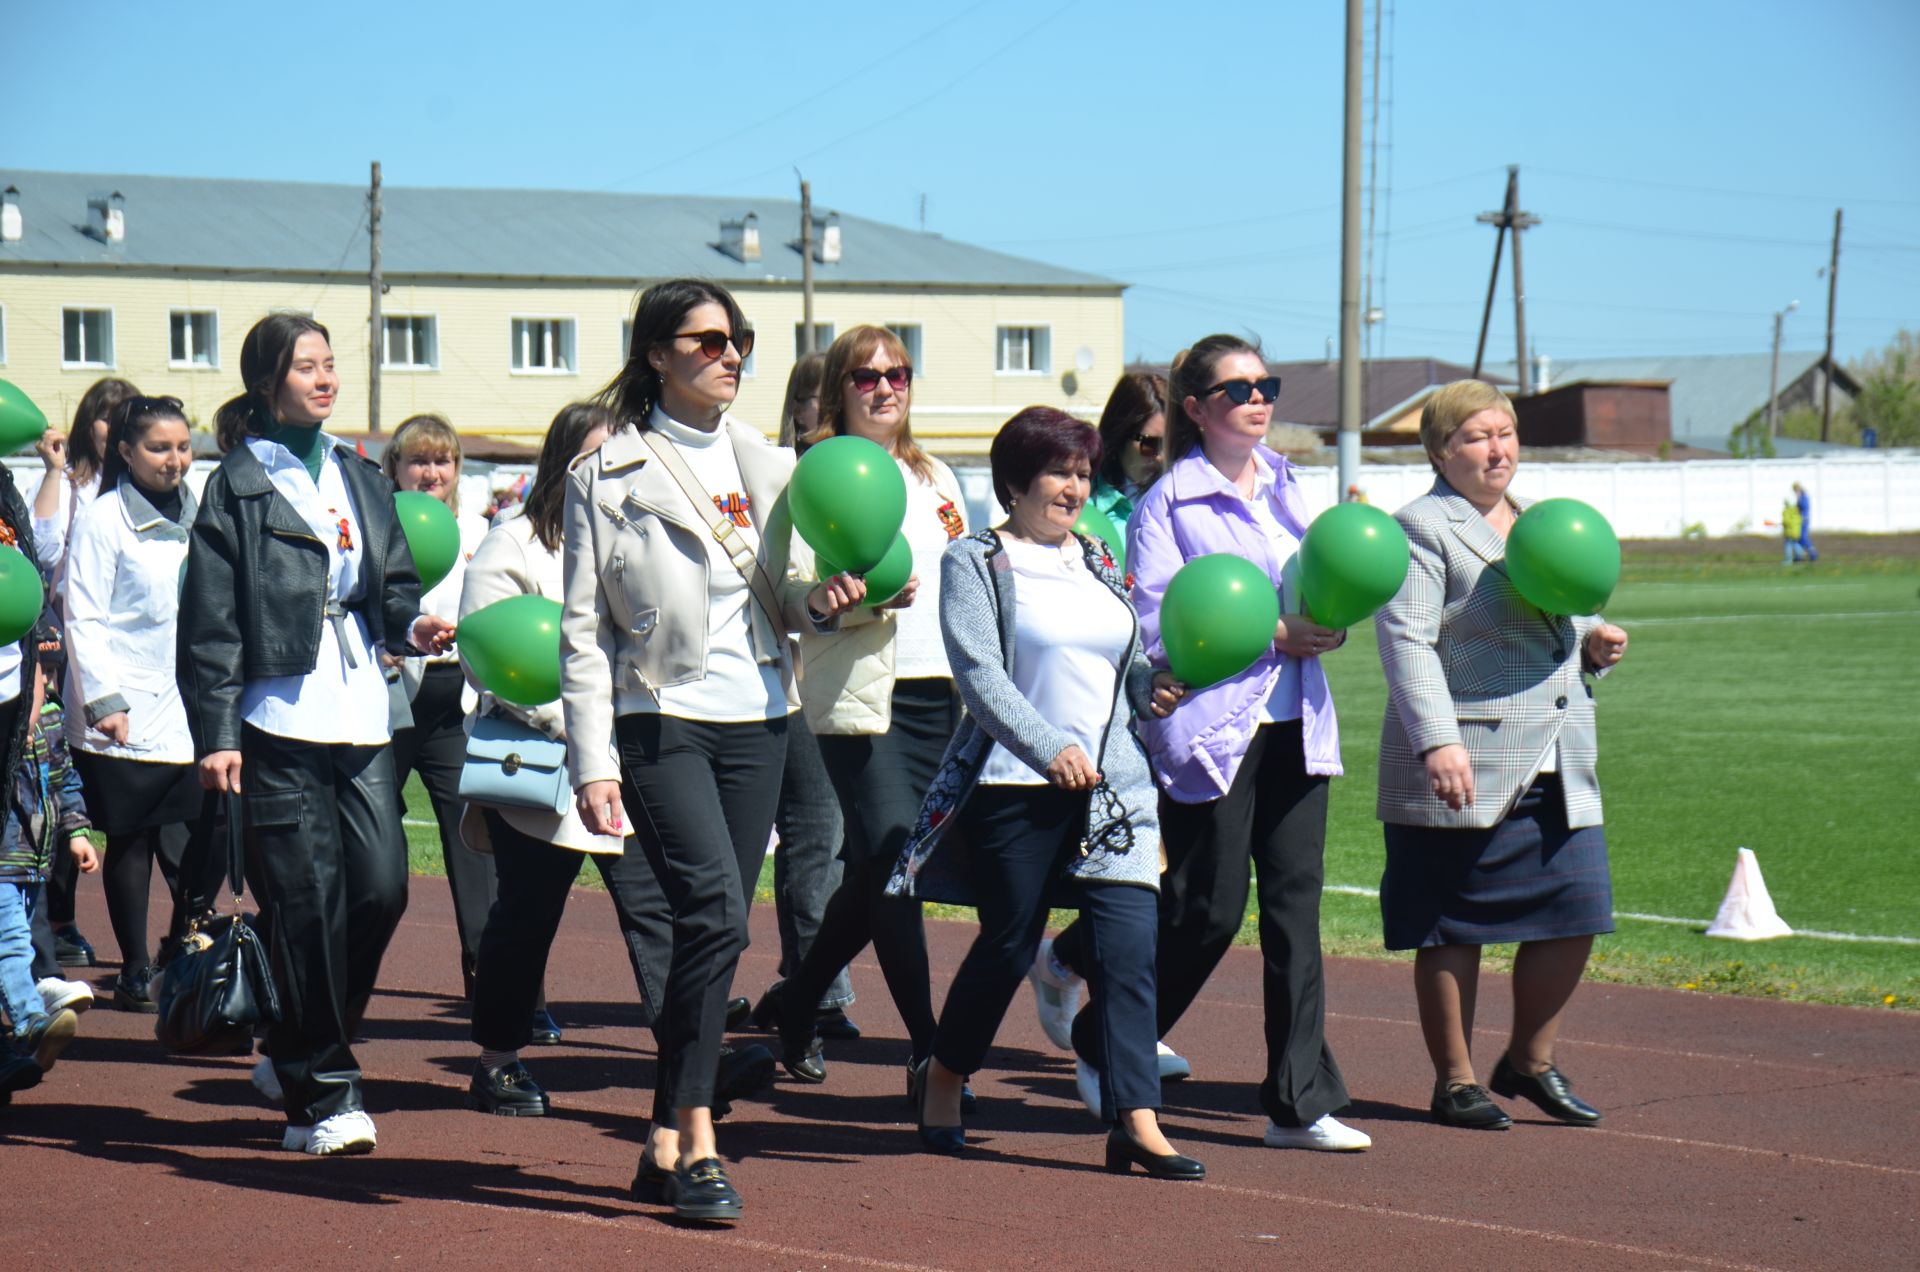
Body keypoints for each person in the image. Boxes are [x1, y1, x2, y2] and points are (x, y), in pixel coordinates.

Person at [561, 278, 864, 1221]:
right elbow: (582, 634)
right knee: (721, 915)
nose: (728, 354)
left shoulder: (773, 467)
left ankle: (658, 1136)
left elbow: (791, 600)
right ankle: (698, 1141)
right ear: (657, 354)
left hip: (762, 719)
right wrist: (594, 762)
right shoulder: (601, 475)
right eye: (705, 341)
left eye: (738, 340)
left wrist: (823, 604)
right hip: (660, 719)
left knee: (713, 928)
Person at [1050, 334, 1371, 1154]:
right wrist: (1275, 629)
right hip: (1214, 731)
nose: (1259, 399)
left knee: (1297, 912)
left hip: (1298, 718)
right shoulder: (1169, 504)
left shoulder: (1295, 488)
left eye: (1267, 383)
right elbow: (1155, 621)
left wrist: (1328, 619)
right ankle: (1103, 1040)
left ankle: (1298, 1103)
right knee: (1208, 911)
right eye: (1237, 390)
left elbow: (1326, 580)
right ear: (1196, 409)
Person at [887, 405, 1201, 1179]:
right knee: (1008, 942)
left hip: (1116, 783)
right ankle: (946, 1077)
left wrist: (1151, 688)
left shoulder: (1096, 557)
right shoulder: (978, 560)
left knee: (1129, 950)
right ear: (1016, 480)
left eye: (1084, 473)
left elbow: (1119, 663)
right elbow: (981, 678)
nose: (1074, 486)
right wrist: (1048, 746)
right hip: (1014, 783)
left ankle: (1136, 1119)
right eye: (1060, 471)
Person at [179, 313, 455, 1156]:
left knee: (380, 890)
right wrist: (218, 732)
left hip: (360, 710)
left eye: (330, 365)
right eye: (305, 368)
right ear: (267, 384)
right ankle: (322, 1097)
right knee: (304, 904)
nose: (325, 379)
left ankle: (297, 1039)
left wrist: (412, 630)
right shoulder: (235, 487)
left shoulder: (360, 475)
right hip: (274, 721)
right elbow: (211, 624)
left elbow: (393, 587)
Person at [1375, 379, 1629, 1131]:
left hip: (1559, 754)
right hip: (1464, 757)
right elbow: (1407, 642)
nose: (1498, 448)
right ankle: (1455, 1081)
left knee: (1578, 909)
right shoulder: (1420, 528)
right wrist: (1438, 741)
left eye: (1506, 433)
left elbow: (1568, 614)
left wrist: (1596, 642)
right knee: (1451, 923)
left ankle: (1528, 1060)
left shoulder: (1540, 521)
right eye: (1477, 436)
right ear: (1438, 450)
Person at [758, 326, 967, 1093]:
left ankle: (800, 1000)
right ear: (838, 389)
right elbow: (785, 595)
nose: (886, 388)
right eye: (867, 377)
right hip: (858, 696)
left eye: (899, 373)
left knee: (876, 867)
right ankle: (928, 1046)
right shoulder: (808, 471)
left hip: (939, 694)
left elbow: (963, 582)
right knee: (889, 861)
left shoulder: (936, 474)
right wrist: (837, 601)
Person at [63, 394, 223, 1011]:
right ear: (126, 453)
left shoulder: (204, 509)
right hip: (127, 703)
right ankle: (134, 969)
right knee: (132, 838)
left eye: (184, 446)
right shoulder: (105, 519)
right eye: (160, 447)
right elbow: (84, 614)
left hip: (192, 701)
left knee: (199, 837)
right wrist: (105, 699)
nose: (175, 459)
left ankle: (180, 949)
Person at [381, 415, 517, 1018]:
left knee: (473, 845)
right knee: (374, 844)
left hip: (455, 701)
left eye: (444, 461)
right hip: (389, 700)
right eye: (418, 460)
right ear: (394, 468)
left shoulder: (480, 530)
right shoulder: (374, 525)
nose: (431, 472)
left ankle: (487, 978)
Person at [752, 352, 858, 1040]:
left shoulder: (869, 476)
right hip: (791, 680)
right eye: (813, 401)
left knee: (844, 840)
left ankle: (813, 978)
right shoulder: (780, 479)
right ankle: (817, 984)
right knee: (815, 833)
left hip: (855, 679)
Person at [30, 376, 136, 969]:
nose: (117, 424)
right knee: (62, 783)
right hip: (68, 652)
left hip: (133, 657)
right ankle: (60, 918)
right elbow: (43, 555)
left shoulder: (149, 488)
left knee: (120, 793)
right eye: (108, 414)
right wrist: (52, 472)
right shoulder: (74, 486)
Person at [1, 661, 93, 1101]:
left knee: (14, 939)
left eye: (51, 674)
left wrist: (77, 831)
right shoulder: (7, 724)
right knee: (12, 942)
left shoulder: (51, 717)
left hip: (34, 861)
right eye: (39, 673)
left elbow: (64, 778)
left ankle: (15, 1048)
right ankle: (29, 1019)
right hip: (4, 856)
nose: (47, 683)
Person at [1090, 371, 1169, 523]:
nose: (1161, 456)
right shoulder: (1079, 504)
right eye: (1150, 444)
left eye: (1170, 444)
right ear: (1120, 435)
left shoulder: (1185, 502)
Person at [1792, 482, 1818, 562]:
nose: (1795, 492)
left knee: (1803, 537)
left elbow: (1804, 507)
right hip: (1799, 519)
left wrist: (1799, 499)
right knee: (1798, 538)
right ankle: (1799, 555)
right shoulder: (1801, 497)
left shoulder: (1804, 496)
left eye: (1795, 490)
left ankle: (1813, 553)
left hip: (1804, 519)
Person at [1780, 497, 1805, 564]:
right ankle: (1801, 553)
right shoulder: (1797, 511)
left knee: (1788, 545)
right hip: (1796, 532)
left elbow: (1786, 521)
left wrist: (1783, 523)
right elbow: (1799, 520)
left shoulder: (1786, 511)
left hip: (1790, 532)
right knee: (1795, 543)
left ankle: (1788, 560)